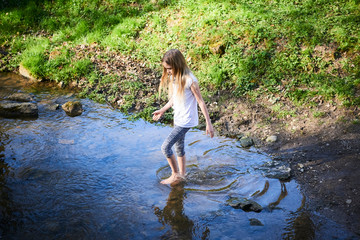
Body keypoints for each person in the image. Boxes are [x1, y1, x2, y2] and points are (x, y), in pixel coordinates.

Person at [152, 49, 214, 185]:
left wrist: (209, 124)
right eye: (166, 69)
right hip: (178, 118)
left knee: (165, 147)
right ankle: (183, 175)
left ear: (177, 65)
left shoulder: (190, 80)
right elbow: (175, 98)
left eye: (169, 68)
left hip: (186, 120)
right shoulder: (175, 78)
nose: (167, 71)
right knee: (179, 147)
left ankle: (175, 175)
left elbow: (201, 101)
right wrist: (162, 110)